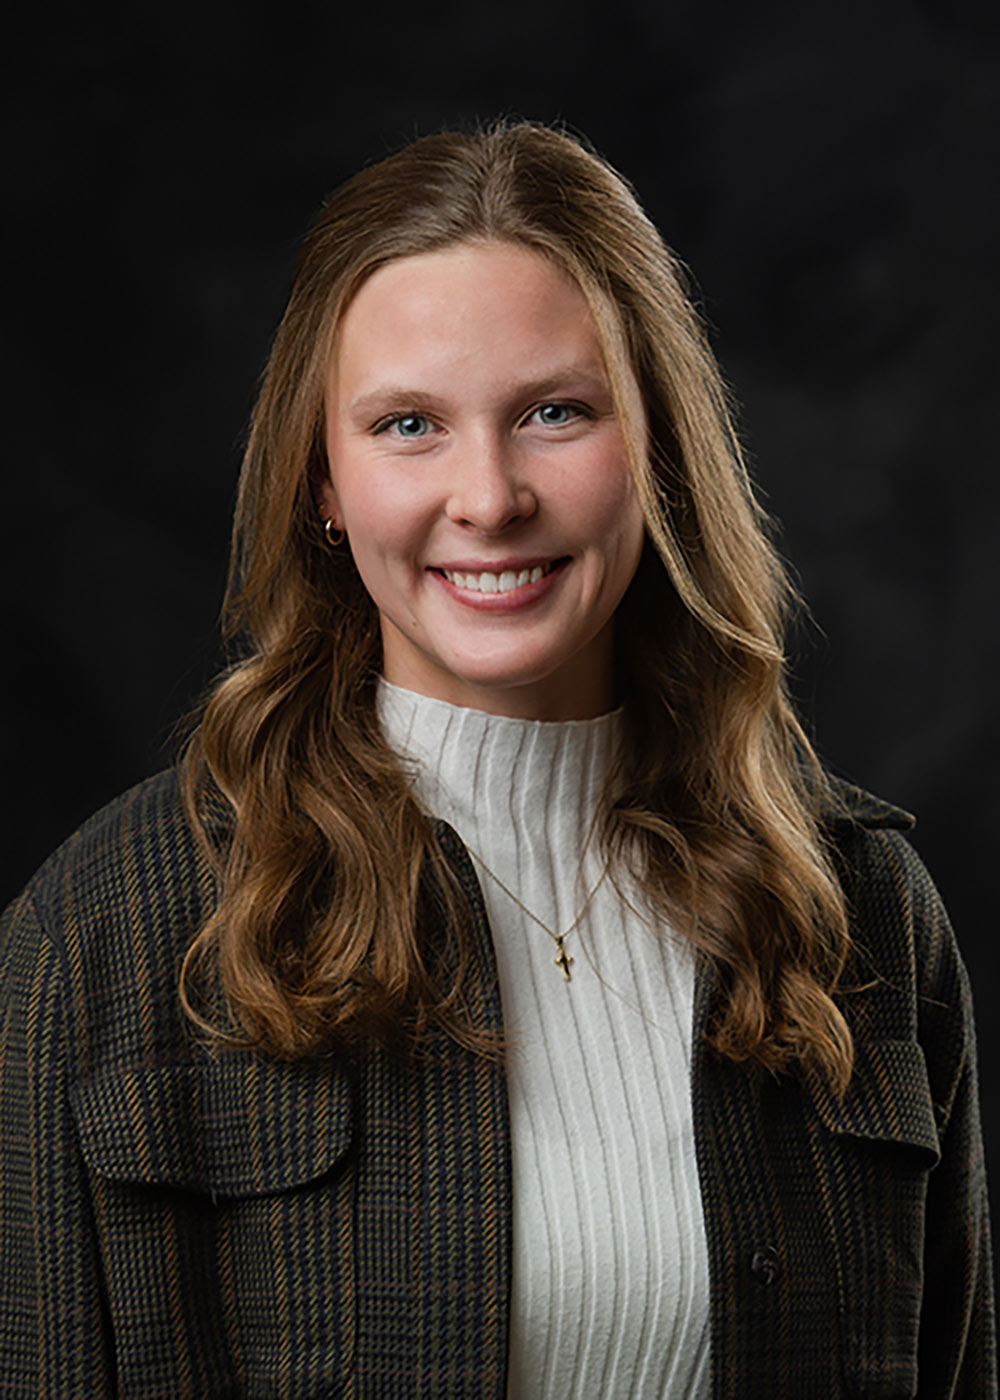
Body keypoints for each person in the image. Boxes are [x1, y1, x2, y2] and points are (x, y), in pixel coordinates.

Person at [0, 121, 994, 1399]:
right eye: (408, 422)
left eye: (555, 411)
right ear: (323, 480)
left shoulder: (856, 915)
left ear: (658, 450)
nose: (488, 494)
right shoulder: (105, 939)